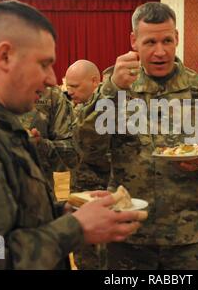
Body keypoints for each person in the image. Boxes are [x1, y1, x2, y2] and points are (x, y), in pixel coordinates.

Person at [0, 0, 145, 269]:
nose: (53, 79)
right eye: (43, 64)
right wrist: (75, 228)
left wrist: (65, 211)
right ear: (5, 56)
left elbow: (8, 216)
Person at [74, 2, 198, 269]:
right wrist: (111, 91)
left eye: (167, 40)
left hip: (190, 238)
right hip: (126, 234)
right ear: (134, 41)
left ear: (177, 38)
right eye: (150, 42)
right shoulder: (117, 89)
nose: (160, 51)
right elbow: (84, 148)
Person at [65, 59, 110, 270]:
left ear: (94, 81)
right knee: (84, 257)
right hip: (81, 196)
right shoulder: (79, 107)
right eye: (68, 86)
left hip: (105, 195)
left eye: (74, 86)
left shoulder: (109, 106)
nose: (69, 91)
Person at [18, 85, 78, 191]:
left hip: (46, 189)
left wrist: (41, 144)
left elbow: (70, 151)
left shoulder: (51, 94)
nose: (51, 78)